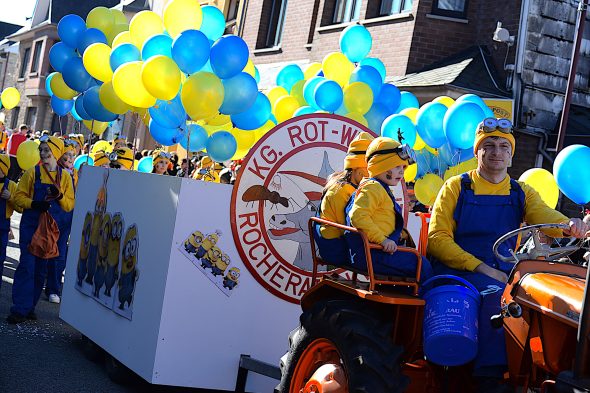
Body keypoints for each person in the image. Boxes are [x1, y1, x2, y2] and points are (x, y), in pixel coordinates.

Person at [427, 118, 590, 391]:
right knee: (498, 301)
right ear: (477, 152)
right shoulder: (457, 187)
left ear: (511, 156)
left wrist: (570, 226)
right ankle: (491, 378)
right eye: (488, 146)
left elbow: (546, 217)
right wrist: (480, 267)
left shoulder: (520, 192)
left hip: (503, 272)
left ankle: (540, 370)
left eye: (504, 146)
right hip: (459, 272)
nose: (496, 152)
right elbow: (437, 240)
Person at [345, 137, 433, 280]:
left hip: (376, 251)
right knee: (422, 265)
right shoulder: (373, 188)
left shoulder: (379, 187)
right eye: (397, 167)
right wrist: (383, 240)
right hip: (373, 254)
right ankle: (423, 301)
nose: (401, 172)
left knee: (417, 260)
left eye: (403, 168)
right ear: (382, 166)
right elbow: (357, 216)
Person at [8, 136, 75, 323]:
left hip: (52, 231)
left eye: (47, 150)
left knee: (40, 270)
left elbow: (70, 205)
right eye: (41, 150)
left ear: (56, 152)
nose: (43, 153)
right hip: (31, 226)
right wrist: (34, 203)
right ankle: (19, 308)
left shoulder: (66, 177)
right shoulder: (32, 173)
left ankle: (30, 306)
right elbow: (18, 198)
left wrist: (60, 196)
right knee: (27, 266)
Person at [314, 132, 373, 264]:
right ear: (359, 170)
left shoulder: (347, 186)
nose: (373, 177)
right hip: (336, 250)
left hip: (340, 246)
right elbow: (350, 231)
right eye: (371, 171)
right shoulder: (341, 192)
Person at [45, 140, 77, 303]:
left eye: (72, 154)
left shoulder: (76, 173)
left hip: (68, 219)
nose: (70, 158)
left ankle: (53, 286)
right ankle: (50, 286)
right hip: (53, 216)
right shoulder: (53, 171)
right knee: (49, 252)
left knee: (61, 255)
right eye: (67, 154)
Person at [0, 154, 21, 293]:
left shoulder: (11, 186)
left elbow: (20, 207)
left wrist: (11, 198)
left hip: (2, 228)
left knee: (0, 258)